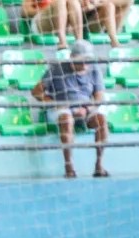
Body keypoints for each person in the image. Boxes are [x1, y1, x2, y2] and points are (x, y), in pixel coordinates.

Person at [32, 39, 109, 179]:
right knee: (66, 119)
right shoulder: (57, 69)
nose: (86, 64)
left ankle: (99, 165)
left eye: (88, 60)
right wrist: (54, 103)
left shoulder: (94, 69)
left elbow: (99, 96)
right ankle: (69, 166)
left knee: (101, 121)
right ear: (73, 58)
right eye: (82, 60)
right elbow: (36, 92)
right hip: (62, 108)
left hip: (85, 108)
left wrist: (87, 109)